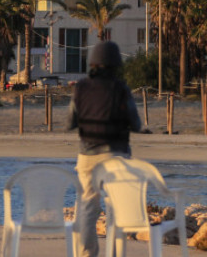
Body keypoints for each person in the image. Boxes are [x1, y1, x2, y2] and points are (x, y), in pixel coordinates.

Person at [67, 40, 142, 257]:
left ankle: (86, 254)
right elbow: (135, 123)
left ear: (92, 63)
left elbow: (70, 122)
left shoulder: (80, 88)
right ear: (116, 64)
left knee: (88, 207)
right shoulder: (121, 89)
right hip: (116, 155)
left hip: (87, 155)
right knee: (116, 205)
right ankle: (116, 253)